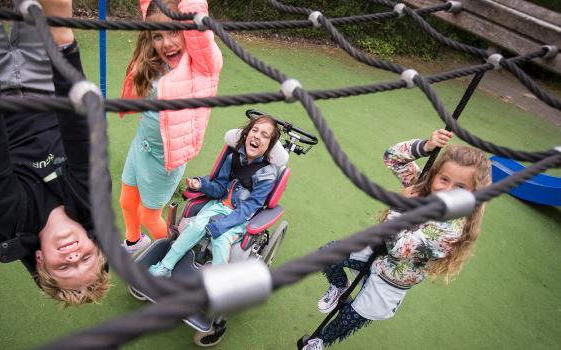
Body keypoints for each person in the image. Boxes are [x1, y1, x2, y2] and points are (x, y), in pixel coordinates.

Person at [0, 0, 109, 306]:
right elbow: (80, 131)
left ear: (40, 258)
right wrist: (62, 40)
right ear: (93, 241)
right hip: (45, 83)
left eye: (64, 266)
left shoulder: (11, 216)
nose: (74, 255)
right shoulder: (91, 201)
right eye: (85, 258)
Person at [303, 129, 492, 350]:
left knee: (353, 315)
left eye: (460, 187)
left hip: (394, 277)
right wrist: (427, 146)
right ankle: (340, 286)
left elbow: (399, 249)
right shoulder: (423, 190)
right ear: (435, 175)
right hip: (374, 251)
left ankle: (321, 340)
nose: (447, 190)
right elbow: (392, 157)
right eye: (444, 179)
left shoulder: (451, 231)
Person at [118, 0, 223, 254]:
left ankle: (178, 252)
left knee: (150, 216)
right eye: (158, 36)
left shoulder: (201, 66)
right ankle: (134, 242)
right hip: (141, 145)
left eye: (174, 32)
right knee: (127, 202)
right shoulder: (154, 61)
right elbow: (149, 7)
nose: (166, 42)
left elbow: (198, 25)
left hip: (165, 157)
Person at [148, 115, 281, 277]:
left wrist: (223, 224)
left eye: (264, 135)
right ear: (246, 134)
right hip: (218, 205)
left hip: (242, 216)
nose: (257, 136)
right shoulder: (233, 158)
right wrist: (201, 185)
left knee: (221, 239)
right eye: (255, 130)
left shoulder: (267, 174)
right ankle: (165, 266)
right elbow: (219, 187)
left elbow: (251, 206)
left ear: (269, 146)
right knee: (196, 226)